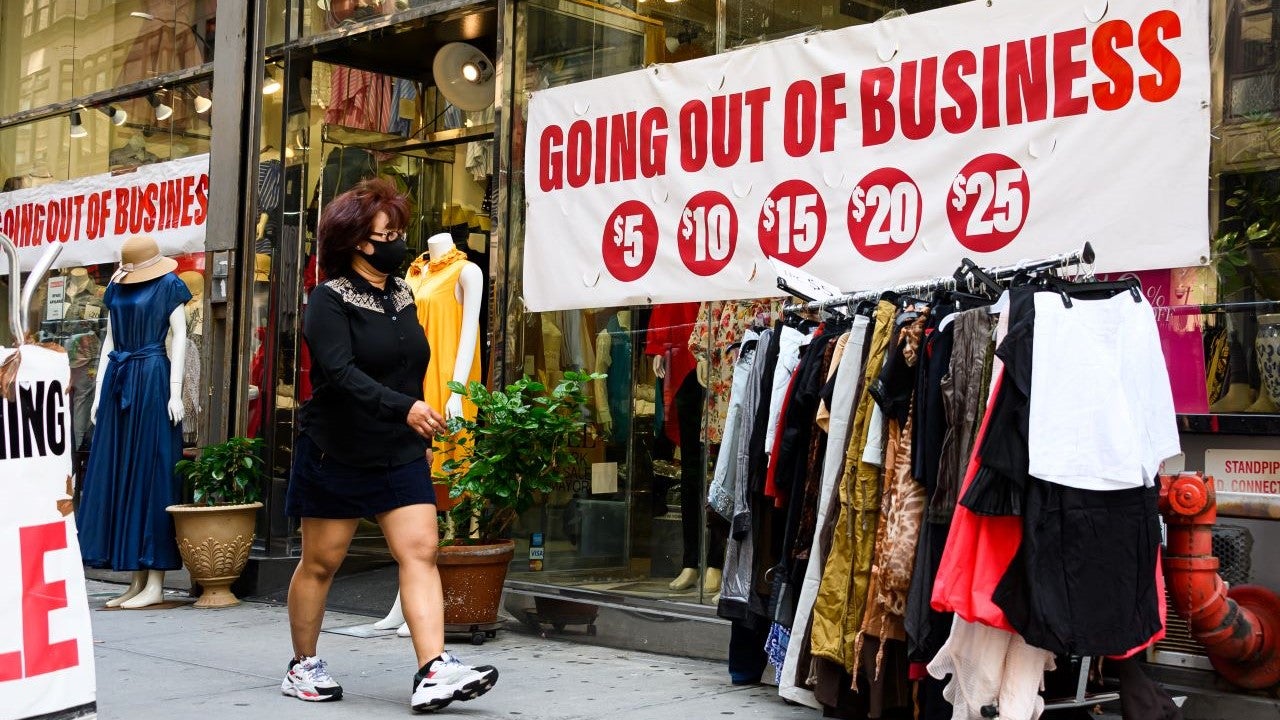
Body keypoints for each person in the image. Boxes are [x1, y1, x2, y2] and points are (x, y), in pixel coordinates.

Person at [282, 178, 498, 712]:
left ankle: (433, 669)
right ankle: (302, 665)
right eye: (389, 233)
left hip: (398, 447)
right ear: (358, 240)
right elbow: (338, 373)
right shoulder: (327, 300)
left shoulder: (402, 294)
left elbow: (410, 368)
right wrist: (404, 408)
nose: (399, 241)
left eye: (401, 230)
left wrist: (416, 422)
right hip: (338, 448)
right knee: (321, 562)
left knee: (420, 551)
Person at [77, 235, 190, 609]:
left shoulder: (169, 285)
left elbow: (180, 339)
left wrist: (175, 392)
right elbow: (109, 343)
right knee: (121, 475)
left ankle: (155, 579)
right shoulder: (115, 285)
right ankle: (135, 579)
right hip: (119, 382)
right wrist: (97, 395)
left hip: (153, 379)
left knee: (151, 474)